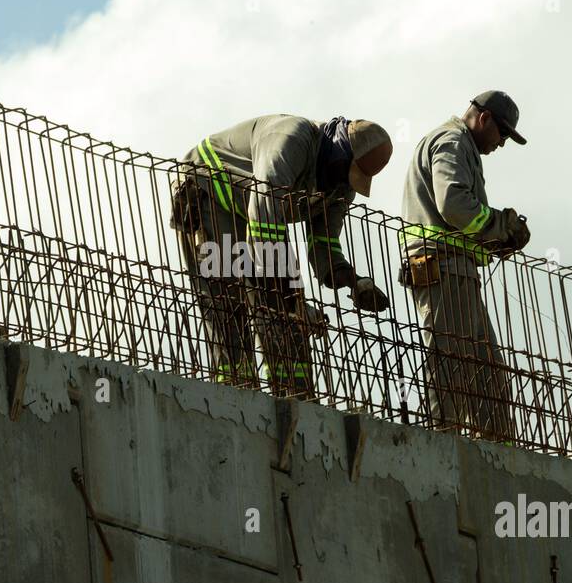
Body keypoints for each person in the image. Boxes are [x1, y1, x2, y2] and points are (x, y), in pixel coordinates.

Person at [170, 115, 392, 399]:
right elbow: (262, 221)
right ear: (339, 148)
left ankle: (295, 400)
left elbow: (324, 241)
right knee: (229, 306)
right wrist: (295, 303)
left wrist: (354, 281)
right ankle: (236, 395)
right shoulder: (290, 140)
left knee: (287, 326)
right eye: (347, 171)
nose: (346, 182)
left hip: (257, 217)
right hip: (206, 191)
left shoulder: (342, 184)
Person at [399, 91, 531, 440]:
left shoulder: (463, 146)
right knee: (451, 367)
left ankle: (499, 447)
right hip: (443, 271)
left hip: (458, 272)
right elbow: (454, 203)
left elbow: (463, 218)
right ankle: (442, 444)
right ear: (484, 118)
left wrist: (496, 241)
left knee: (486, 374)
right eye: (502, 134)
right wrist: (500, 227)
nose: (502, 144)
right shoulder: (452, 141)